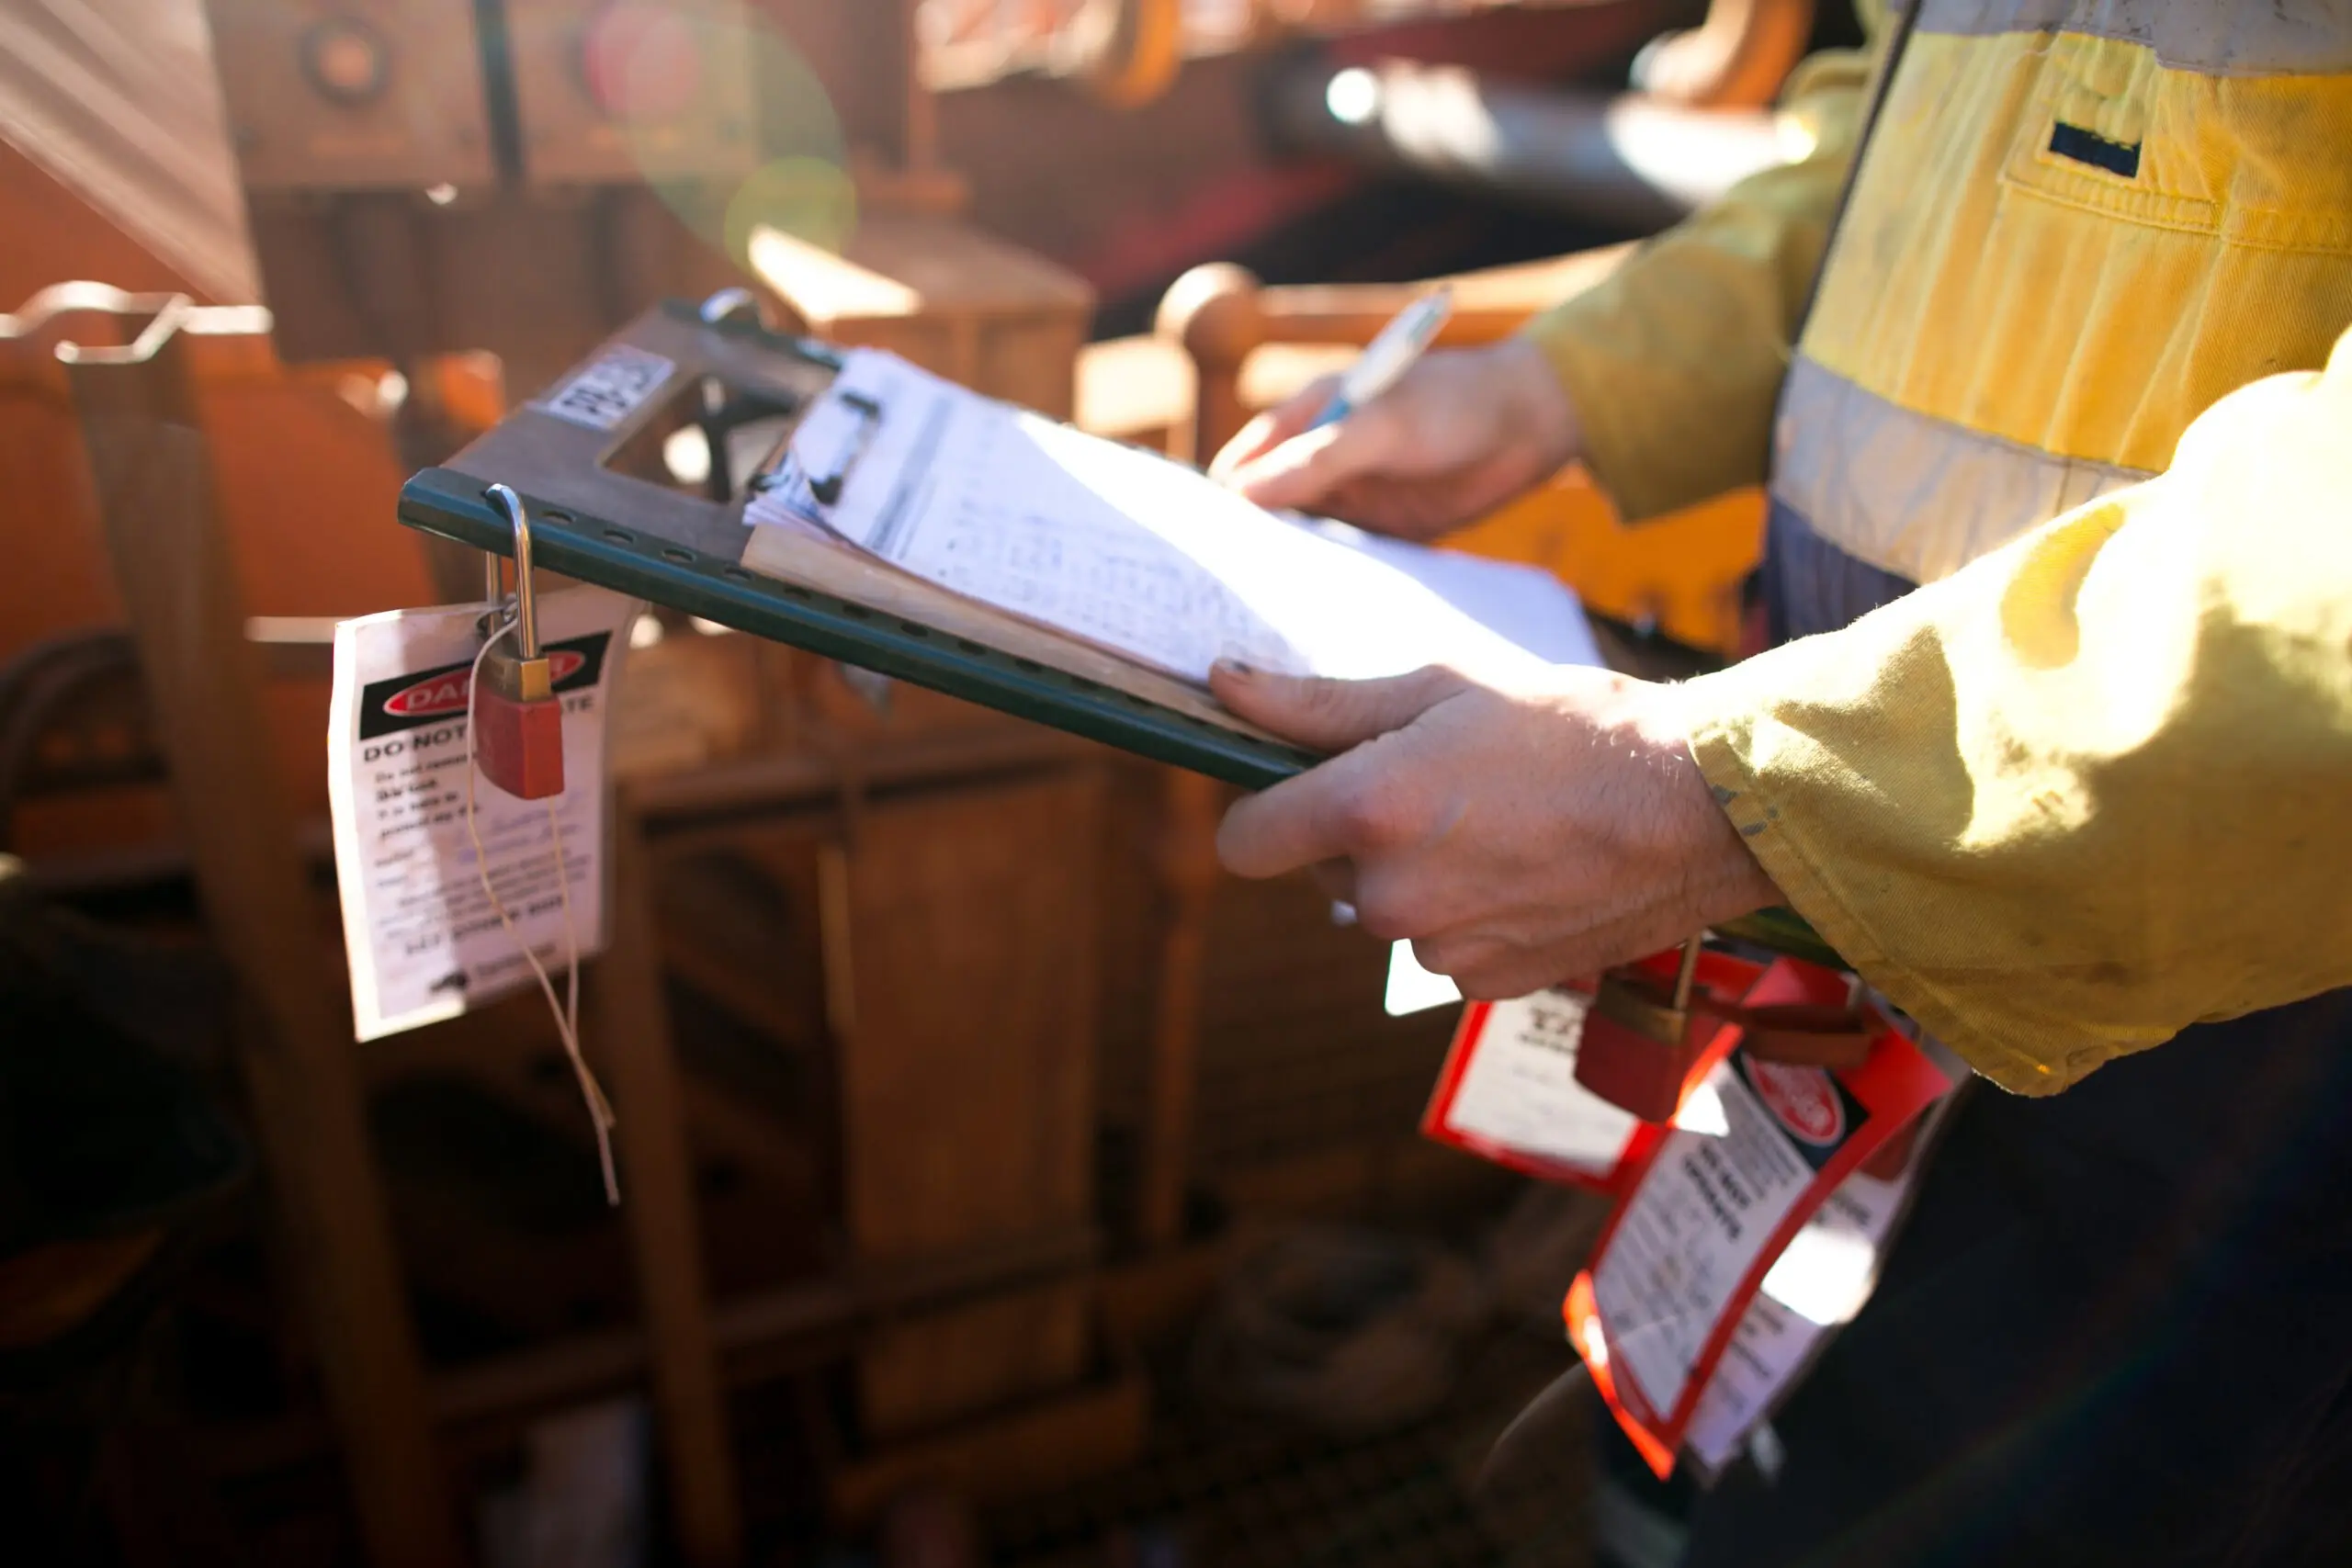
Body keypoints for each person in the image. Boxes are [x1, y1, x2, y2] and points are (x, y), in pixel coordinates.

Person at [1204, 2, 2352, 1562]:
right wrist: (1560, 389)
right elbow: (1904, 147)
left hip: (2222, 1033)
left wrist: (1725, 792)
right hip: (1844, 873)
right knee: (1710, 1449)